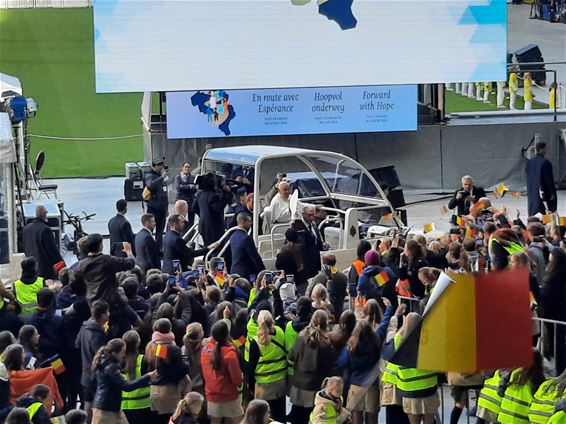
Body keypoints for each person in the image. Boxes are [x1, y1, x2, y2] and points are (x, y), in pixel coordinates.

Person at [91, 338, 155, 424]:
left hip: (111, 407)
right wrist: (148, 376)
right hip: (106, 409)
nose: (124, 354)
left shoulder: (104, 362)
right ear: (115, 353)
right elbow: (126, 386)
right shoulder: (111, 367)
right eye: (123, 351)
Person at [288, 310, 336, 424]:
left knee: (297, 418)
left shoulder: (301, 337)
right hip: (315, 387)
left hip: (299, 385)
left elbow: (291, 356)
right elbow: (330, 366)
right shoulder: (326, 343)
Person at [145, 318, 190, 424]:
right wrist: (185, 358)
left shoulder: (151, 345)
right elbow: (183, 369)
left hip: (154, 390)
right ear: (170, 329)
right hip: (168, 392)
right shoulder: (169, 348)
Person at [201, 320, 244, 424]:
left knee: (215, 421)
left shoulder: (205, 349)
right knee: (238, 420)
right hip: (229, 395)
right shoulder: (230, 353)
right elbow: (237, 378)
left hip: (212, 395)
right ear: (227, 334)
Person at [247, 310, 287, 423]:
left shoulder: (256, 342)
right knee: (280, 415)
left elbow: (252, 366)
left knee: (263, 416)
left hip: (263, 386)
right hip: (280, 382)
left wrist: (250, 387)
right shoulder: (280, 332)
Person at [73, 233, 135, 303]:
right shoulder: (107, 260)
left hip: (90, 301)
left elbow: (74, 282)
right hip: (109, 301)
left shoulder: (82, 264)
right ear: (100, 246)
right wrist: (129, 252)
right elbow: (131, 263)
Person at [75, 300, 109, 421]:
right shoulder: (96, 336)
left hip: (85, 373)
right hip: (95, 375)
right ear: (103, 315)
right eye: (107, 312)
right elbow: (101, 356)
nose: (109, 314)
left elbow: (77, 344)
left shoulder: (85, 327)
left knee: (87, 402)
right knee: (93, 405)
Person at [497, 349, 546, 424]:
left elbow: (501, 391)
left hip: (505, 417)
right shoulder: (537, 379)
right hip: (521, 419)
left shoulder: (514, 373)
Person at [540, 248, 566, 376]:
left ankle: (560, 369)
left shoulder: (555, 275)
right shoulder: (557, 273)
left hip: (555, 313)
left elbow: (549, 294)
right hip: (556, 313)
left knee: (557, 341)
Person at [22, 205, 63, 280]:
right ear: (45, 214)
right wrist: (61, 263)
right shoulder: (45, 229)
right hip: (45, 271)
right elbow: (52, 250)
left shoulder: (26, 229)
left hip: (31, 268)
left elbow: (24, 247)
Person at [120, 330, 151, 424]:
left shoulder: (118, 361)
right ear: (138, 342)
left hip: (124, 406)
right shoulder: (143, 360)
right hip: (144, 405)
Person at [194, 172, 232, 246]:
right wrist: (225, 194)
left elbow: (194, 208)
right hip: (214, 228)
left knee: (207, 248)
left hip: (203, 227)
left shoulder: (200, 194)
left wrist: (203, 216)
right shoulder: (213, 196)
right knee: (216, 249)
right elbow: (218, 208)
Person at [292, 205, 325, 279]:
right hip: (305, 263)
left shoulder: (313, 225)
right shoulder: (297, 226)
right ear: (303, 214)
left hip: (315, 262)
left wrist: (323, 245)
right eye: (309, 215)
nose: (312, 218)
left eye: (314, 215)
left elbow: (317, 240)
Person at [230, 214, 265, 280]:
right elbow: (255, 258)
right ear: (243, 222)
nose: (251, 223)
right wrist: (263, 272)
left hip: (235, 271)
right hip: (246, 274)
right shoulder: (246, 238)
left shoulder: (233, 237)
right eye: (249, 221)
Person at [145, 158, 170, 251]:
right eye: (158, 165)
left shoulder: (161, 177)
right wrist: (161, 177)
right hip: (153, 209)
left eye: (161, 165)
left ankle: (158, 249)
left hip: (162, 209)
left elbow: (165, 194)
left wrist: (166, 208)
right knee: (149, 230)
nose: (160, 167)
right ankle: (149, 248)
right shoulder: (150, 175)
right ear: (153, 166)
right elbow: (150, 185)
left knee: (160, 231)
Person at [526, 141, 557, 216]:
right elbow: (548, 179)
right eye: (546, 148)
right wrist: (552, 192)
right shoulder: (545, 162)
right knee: (545, 211)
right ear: (542, 149)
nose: (547, 150)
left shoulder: (530, 162)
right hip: (543, 191)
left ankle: (533, 223)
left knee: (534, 209)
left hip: (532, 189)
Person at [275, 228, 308, 294]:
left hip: (288, 282)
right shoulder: (303, 249)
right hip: (302, 280)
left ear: (286, 238)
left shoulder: (283, 253)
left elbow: (278, 266)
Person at [175, 162, 197, 229]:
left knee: (191, 220)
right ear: (182, 168)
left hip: (190, 201)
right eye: (185, 167)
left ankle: (191, 234)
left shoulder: (192, 177)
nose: (187, 168)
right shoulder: (178, 177)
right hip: (181, 200)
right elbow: (178, 187)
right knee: (180, 219)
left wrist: (184, 187)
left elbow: (194, 189)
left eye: (188, 167)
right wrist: (189, 186)